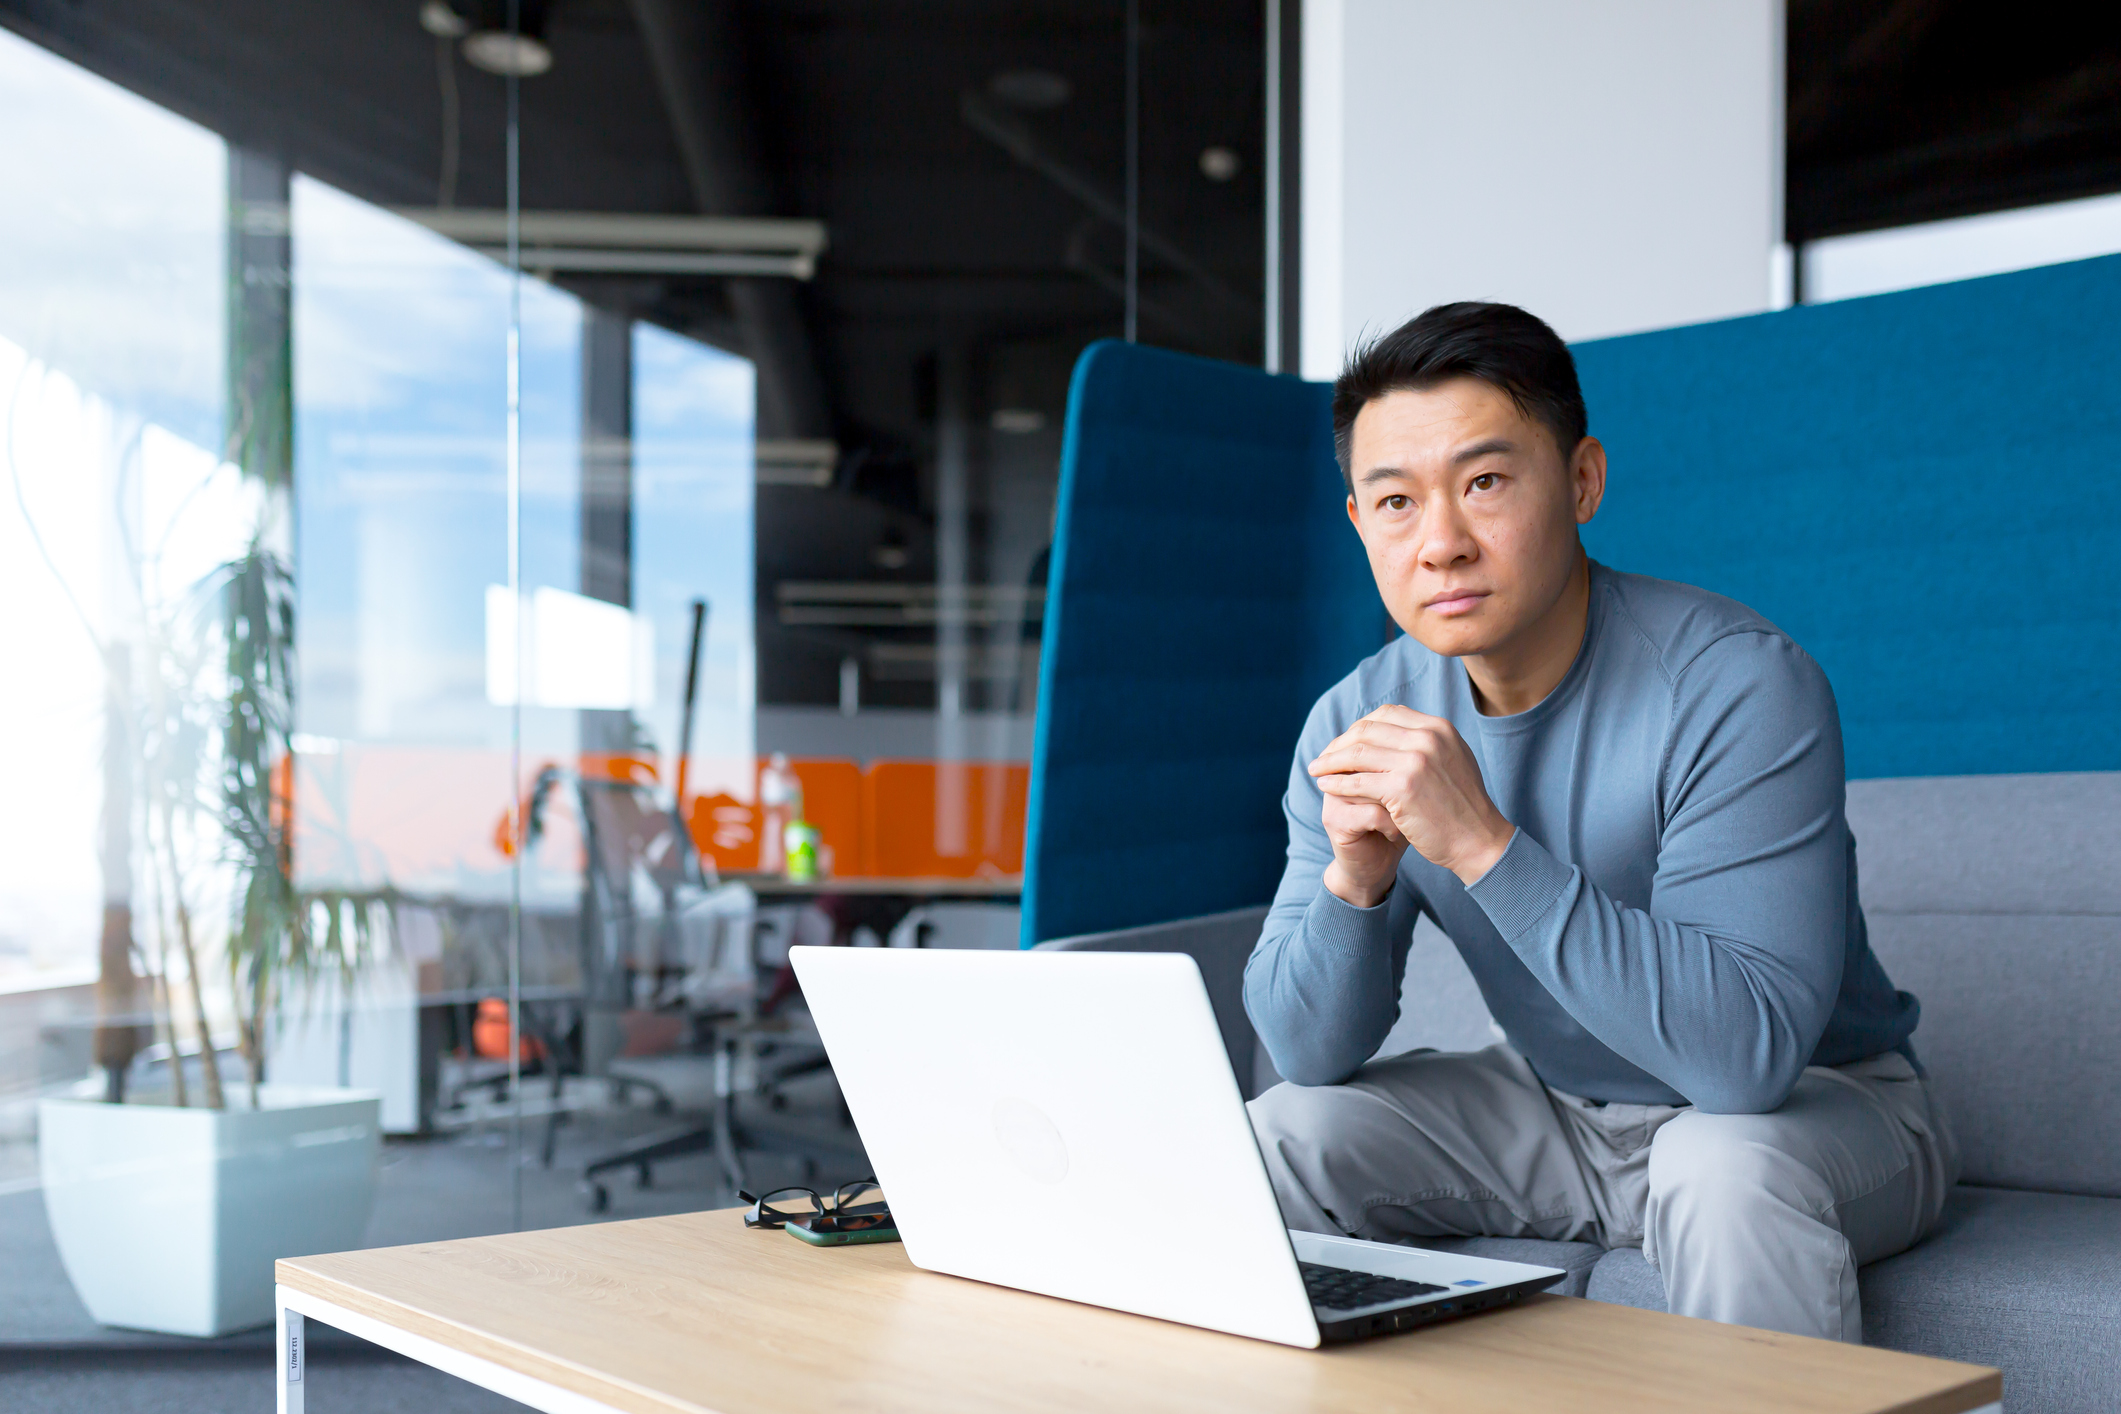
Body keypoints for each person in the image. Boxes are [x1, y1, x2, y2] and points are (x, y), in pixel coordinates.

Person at [1243, 301, 1956, 1342]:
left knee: (1721, 1168)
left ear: (1582, 481)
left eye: (1485, 482)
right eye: (1395, 502)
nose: (1440, 543)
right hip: (1554, 1107)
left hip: (1815, 1108)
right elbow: (1305, 1052)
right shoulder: (1357, 717)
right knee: (1275, 1138)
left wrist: (1482, 844)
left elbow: (1743, 1061)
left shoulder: (1737, 685)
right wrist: (1357, 882)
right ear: (1359, 524)